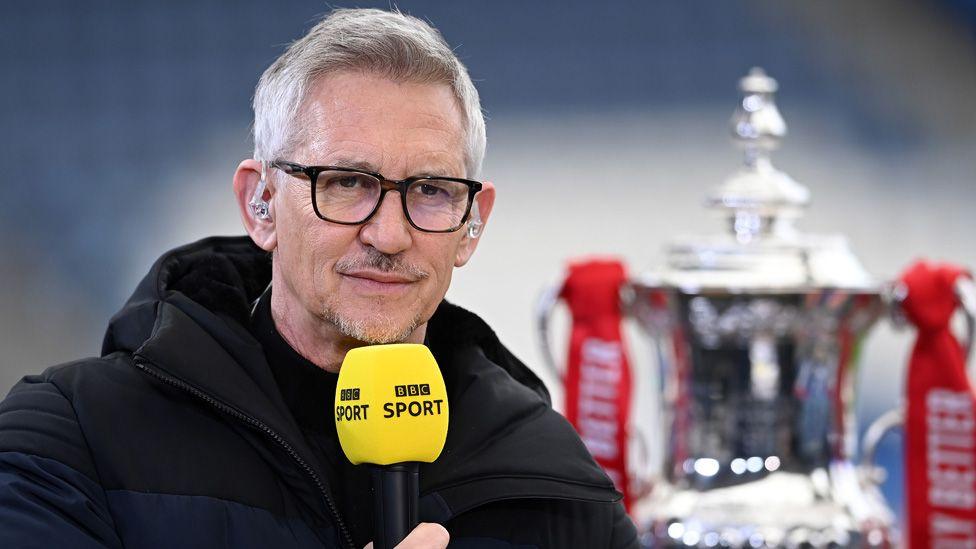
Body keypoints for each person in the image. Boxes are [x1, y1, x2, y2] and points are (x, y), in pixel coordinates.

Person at [0, 8, 637, 548]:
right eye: (347, 183)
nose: (389, 236)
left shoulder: (556, 484)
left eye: (432, 191)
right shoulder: (69, 440)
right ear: (260, 203)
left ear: (473, 221)